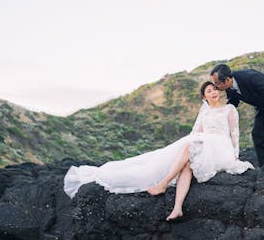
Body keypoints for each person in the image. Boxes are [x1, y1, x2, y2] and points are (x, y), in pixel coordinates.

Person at [63, 81, 254, 221]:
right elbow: (195, 132)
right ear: (204, 97)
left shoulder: (229, 109)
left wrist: (234, 155)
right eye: (208, 91)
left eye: (214, 90)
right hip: (203, 144)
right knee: (186, 163)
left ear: (218, 93)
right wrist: (190, 143)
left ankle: (162, 183)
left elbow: (234, 134)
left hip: (221, 147)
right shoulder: (204, 112)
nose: (212, 93)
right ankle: (177, 208)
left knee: (188, 149)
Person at [210, 64, 264, 166]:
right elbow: (234, 101)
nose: (216, 87)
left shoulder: (250, 78)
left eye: (217, 83)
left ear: (227, 80)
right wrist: (221, 114)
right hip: (262, 104)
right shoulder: (228, 87)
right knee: (257, 134)